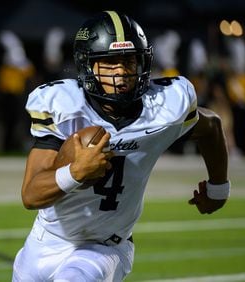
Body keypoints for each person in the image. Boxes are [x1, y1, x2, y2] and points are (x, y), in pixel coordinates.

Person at [12, 10, 230, 282]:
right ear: (87, 65)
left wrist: (219, 188)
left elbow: (211, 126)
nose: (122, 72)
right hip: (45, 243)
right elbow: (31, 195)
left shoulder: (163, 107)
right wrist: (75, 172)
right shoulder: (66, 108)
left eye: (129, 61)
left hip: (105, 247)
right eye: (110, 62)